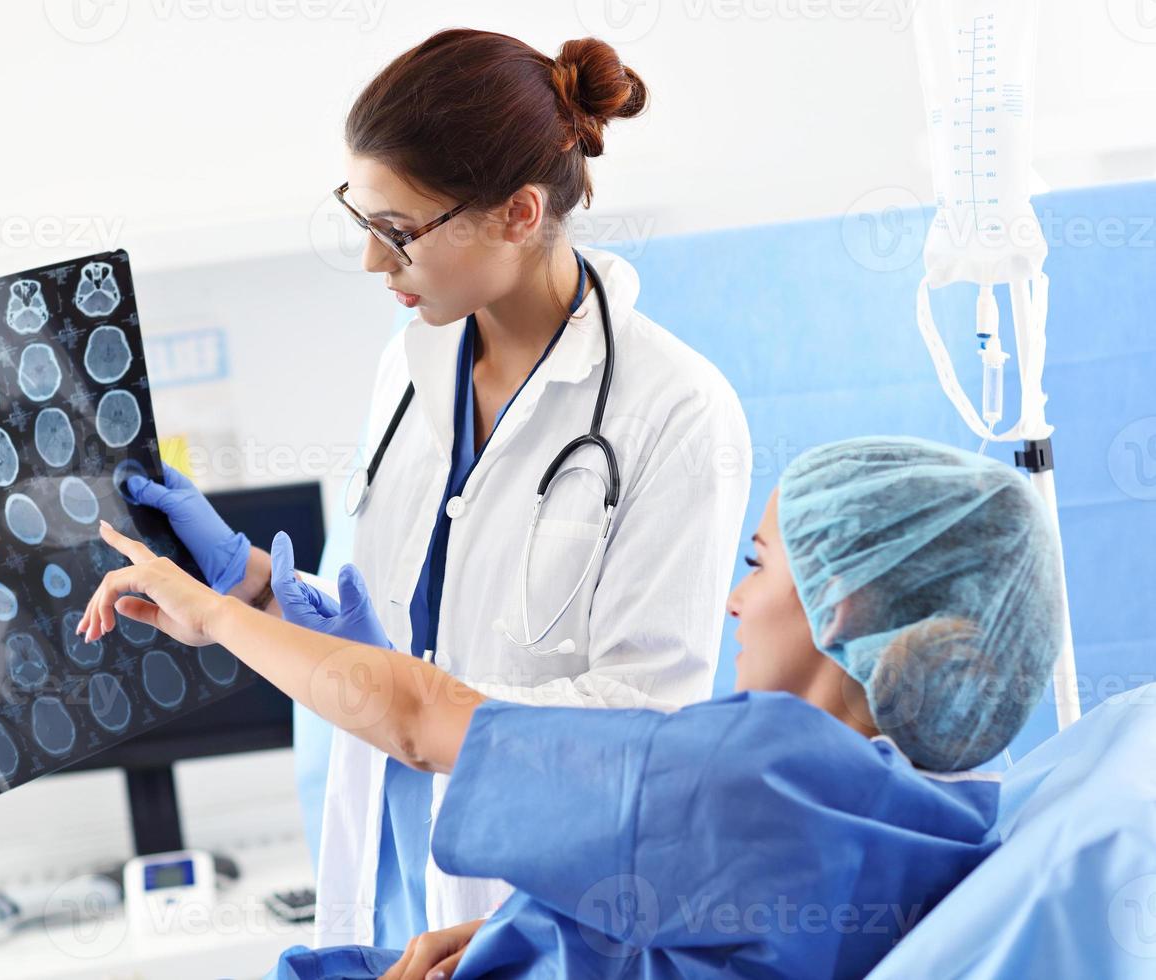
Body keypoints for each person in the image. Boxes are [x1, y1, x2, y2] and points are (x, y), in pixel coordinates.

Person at [120, 28, 751, 948]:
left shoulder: (675, 411)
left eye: (398, 234)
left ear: (519, 214)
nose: (375, 264)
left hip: (539, 912)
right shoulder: (409, 366)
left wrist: (410, 698)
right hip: (382, 884)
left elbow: (642, 728)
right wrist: (251, 584)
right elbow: (379, 632)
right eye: (361, 221)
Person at [78, 435, 1067, 978]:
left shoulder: (749, 770)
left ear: (841, 599)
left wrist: (219, 612)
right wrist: (539, 931)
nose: (730, 598)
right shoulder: (909, 808)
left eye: (756, 563)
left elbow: (424, 719)